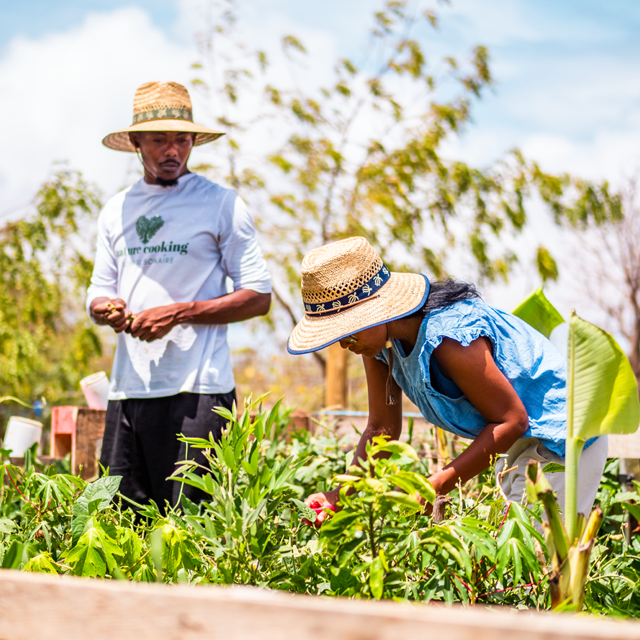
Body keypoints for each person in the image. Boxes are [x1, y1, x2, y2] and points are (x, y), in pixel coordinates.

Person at [287, 236, 608, 525]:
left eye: (346, 330)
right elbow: (381, 429)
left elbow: (512, 420)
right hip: (520, 443)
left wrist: (437, 484)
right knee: (510, 569)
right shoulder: (378, 348)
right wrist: (340, 494)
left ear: (376, 310)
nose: (344, 343)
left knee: (533, 568)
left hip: (563, 438)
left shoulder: (450, 337)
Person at [87, 81, 272, 511]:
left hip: (199, 391)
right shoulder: (115, 210)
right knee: (117, 527)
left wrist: (181, 312)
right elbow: (100, 290)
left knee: (193, 530)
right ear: (136, 142)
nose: (172, 151)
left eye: (182, 140)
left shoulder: (222, 204)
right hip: (128, 390)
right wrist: (105, 309)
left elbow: (258, 296)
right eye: (159, 140)